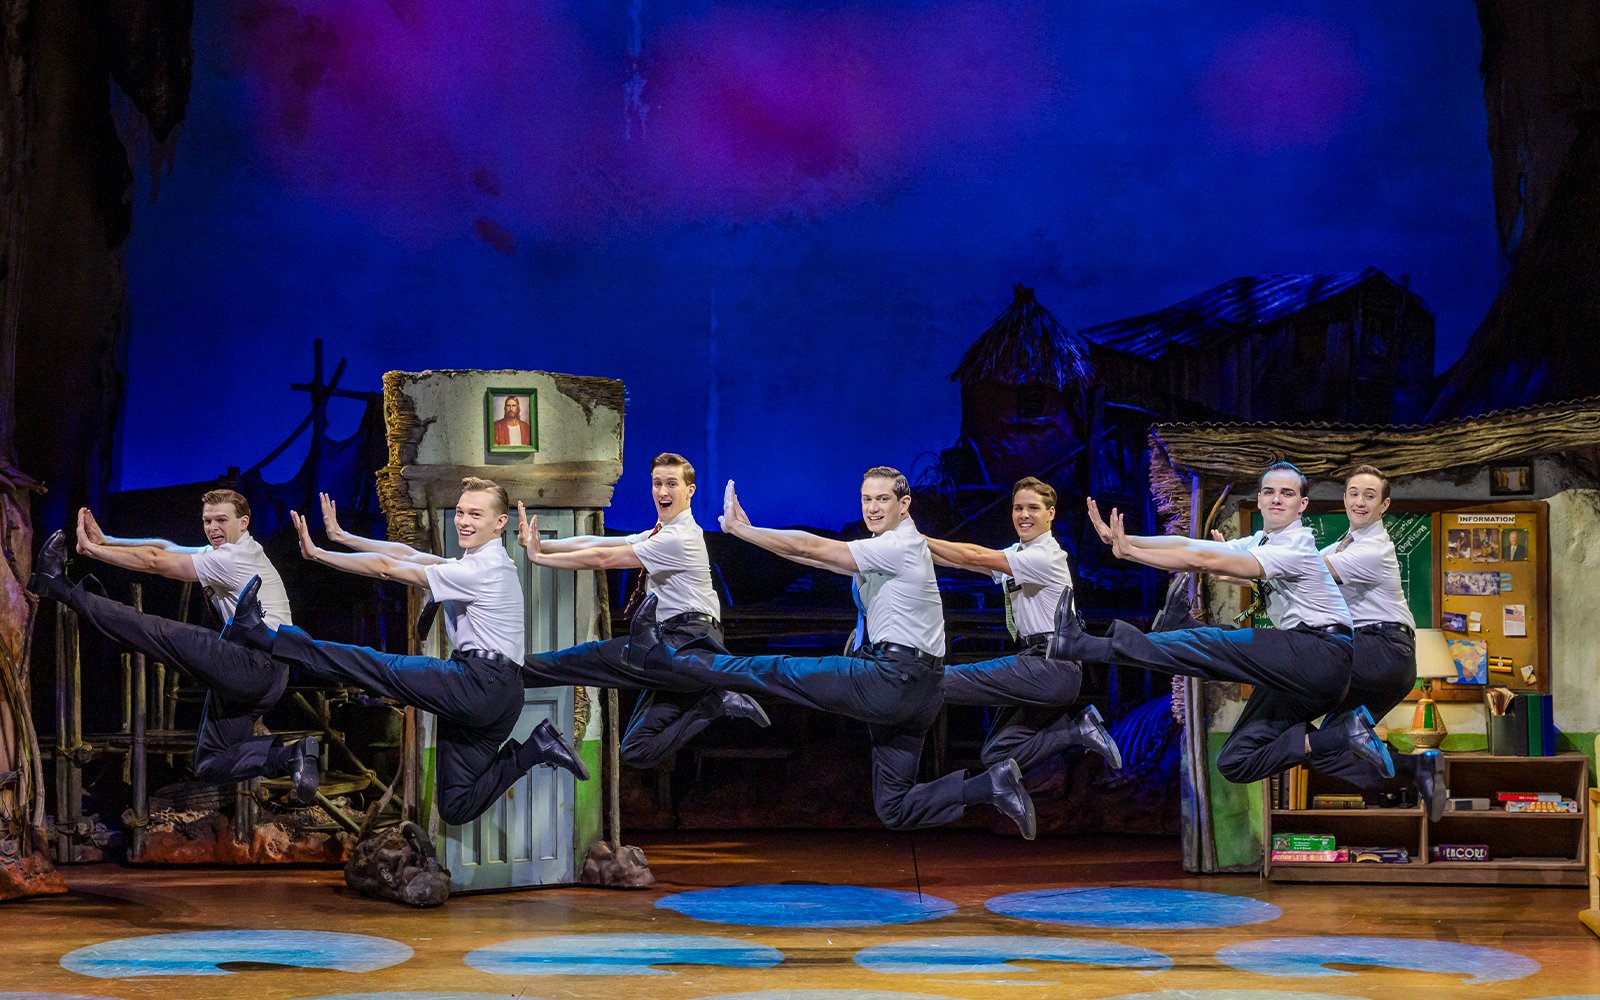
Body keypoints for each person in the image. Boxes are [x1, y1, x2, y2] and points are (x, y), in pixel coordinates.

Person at [627, 468, 1037, 838]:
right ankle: (990, 784)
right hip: (919, 694)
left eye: (883, 500)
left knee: (777, 670)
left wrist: (742, 532)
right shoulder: (890, 548)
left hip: (892, 680)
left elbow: (814, 549)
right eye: (866, 499)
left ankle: (686, 665)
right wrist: (757, 537)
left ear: (904, 504)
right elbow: (806, 557)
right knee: (894, 807)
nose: (873, 508)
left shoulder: (898, 545)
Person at [222, 477, 587, 826]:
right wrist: (342, 536)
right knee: (457, 804)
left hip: (478, 684)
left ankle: (264, 635)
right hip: (500, 697)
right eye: (460, 512)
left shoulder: (481, 570)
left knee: (369, 664)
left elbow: (387, 569)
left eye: (476, 514)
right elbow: (406, 553)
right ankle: (535, 748)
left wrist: (319, 554)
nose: (463, 521)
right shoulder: (479, 564)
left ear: (499, 523)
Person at [1054, 462, 1390, 786]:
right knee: (1236, 760)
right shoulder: (1262, 540)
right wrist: (1126, 541)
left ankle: (1086, 644)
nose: (1276, 498)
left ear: (1301, 505)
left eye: (1287, 494)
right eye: (1269, 491)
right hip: (1308, 673)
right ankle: (1342, 735)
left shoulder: (1295, 546)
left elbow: (1203, 559)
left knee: (1215, 644)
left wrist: (1131, 552)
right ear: (1259, 498)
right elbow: (1189, 546)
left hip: (1322, 652)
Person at [28, 491, 318, 801]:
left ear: (243, 522)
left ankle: (57, 585)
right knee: (211, 762)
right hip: (271, 678)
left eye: (221, 520)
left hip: (251, 663)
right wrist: (107, 540)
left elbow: (155, 562)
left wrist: (91, 551)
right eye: (207, 521)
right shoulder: (232, 551)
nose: (213, 527)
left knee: (152, 631)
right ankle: (292, 756)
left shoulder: (232, 558)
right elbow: (166, 547)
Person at [511, 452, 767, 768]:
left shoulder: (678, 538)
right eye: (657, 483)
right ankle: (717, 702)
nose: (662, 491)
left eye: (671, 484)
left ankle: (506, 672)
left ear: (690, 490)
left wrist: (541, 559)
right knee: (635, 749)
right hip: (675, 648)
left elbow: (604, 560)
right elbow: (600, 544)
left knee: (590, 658)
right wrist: (542, 544)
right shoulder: (662, 533)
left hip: (685, 641)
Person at [924, 477, 1121, 777]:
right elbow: (965, 562)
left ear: (1051, 514)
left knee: (939, 682)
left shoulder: (1045, 556)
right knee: (996, 753)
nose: (1023, 515)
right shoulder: (1020, 553)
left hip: (1054, 665)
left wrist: (917, 539)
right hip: (1038, 663)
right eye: (1018, 508)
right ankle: (1079, 730)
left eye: (1032, 508)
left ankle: (890, 680)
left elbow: (973, 555)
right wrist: (912, 549)